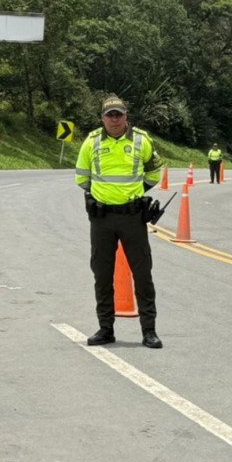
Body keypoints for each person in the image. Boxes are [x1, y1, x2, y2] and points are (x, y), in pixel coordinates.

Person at [75, 96, 165, 349]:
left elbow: (154, 171)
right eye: (109, 115)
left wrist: (136, 193)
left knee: (142, 274)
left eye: (118, 114)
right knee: (102, 274)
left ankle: (149, 331)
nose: (114, 119)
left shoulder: (141, 140)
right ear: (102, 118)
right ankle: (106, 329)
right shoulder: (91, 141)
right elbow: (82, 177)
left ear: (126, 116)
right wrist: (100, 196)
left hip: (132, 217)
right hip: (102, 219)